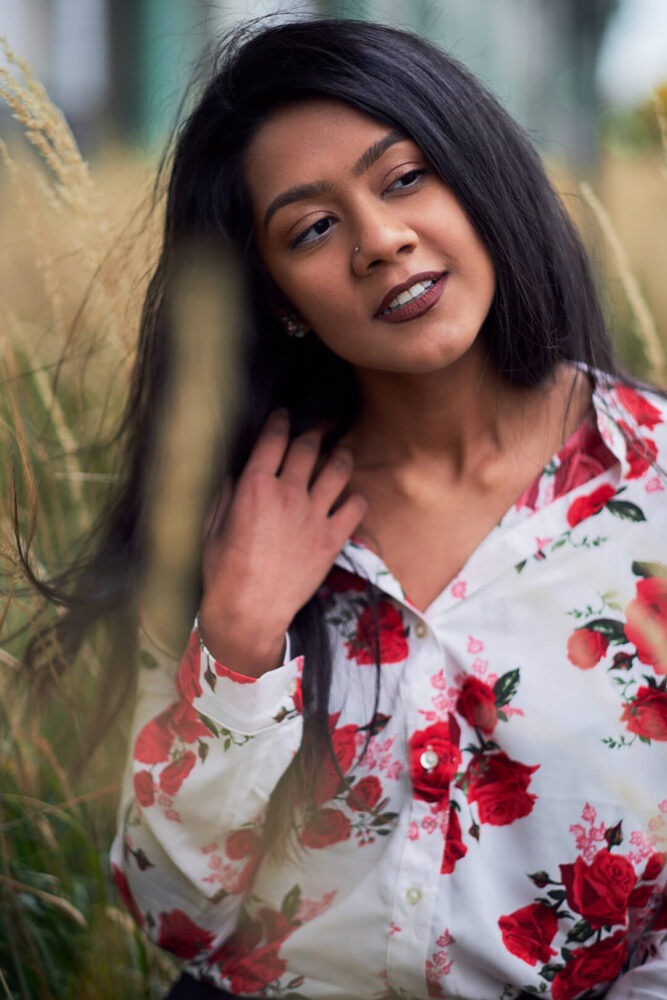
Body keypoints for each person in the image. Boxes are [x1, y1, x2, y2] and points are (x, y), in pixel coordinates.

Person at [99, 17, 667, 1000]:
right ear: (276, 295)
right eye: (311, 228)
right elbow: (175, 917)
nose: (380, 240)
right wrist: (237, 639)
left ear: (475, 176)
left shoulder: (650, 489)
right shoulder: (235, 512)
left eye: (403, 178)